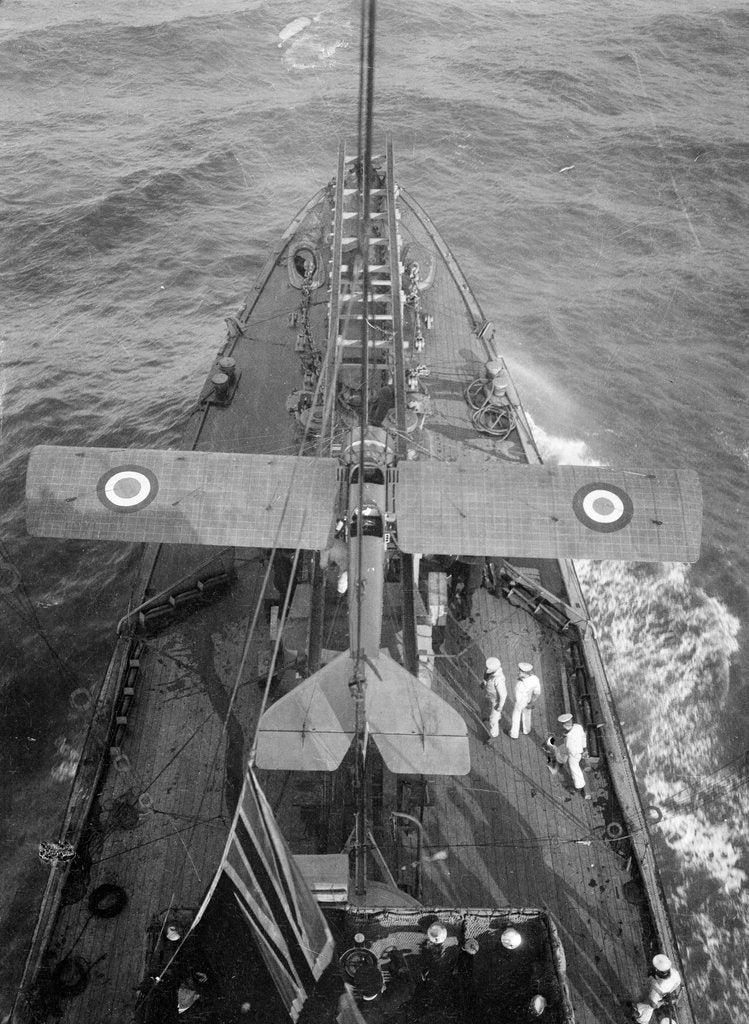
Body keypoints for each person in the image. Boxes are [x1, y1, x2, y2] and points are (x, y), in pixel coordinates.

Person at [631, 954, 682, 1023]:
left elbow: (653, 1004)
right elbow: (678, 983)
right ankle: (638, 1007)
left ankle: (640, 1019)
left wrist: (662, 1002)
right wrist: (669, 991)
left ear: (657, 970)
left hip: (655, 997)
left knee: (648, 1009)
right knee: (646, 1001)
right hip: (662, 994)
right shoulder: (674, 972)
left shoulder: (657, 986)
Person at [555, 714, 591, 799]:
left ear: (564, 725)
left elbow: (570, 749)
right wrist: (584, 747)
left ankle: (579, 786)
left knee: (574, 769)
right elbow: (583, 737)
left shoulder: (569, 739)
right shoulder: (578, 727)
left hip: (574, 754)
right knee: (560, 750)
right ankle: (560, 761)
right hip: (580, 747)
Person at [510, 662, 541, 739]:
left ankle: (514, 734)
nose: (518, 672)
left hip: (520, 702)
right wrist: (532, 701)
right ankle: (526, 730)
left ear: (525, 673)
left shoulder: (520, 684)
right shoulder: (535, 679)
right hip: (529, 700)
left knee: (516, 717)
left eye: (520, 671)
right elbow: (537, 692)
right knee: (527, 715)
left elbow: (517, 696)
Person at [482, 656, 507, 742]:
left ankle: (493, 735)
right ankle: (496, 716)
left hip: (496, 701)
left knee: (493, 718)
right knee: (492, 712)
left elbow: (503, 695)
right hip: (490, 695)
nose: (486, 669)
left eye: (488, 668)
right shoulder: (491, 671)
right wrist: (484, 683)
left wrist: (500, 706)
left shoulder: (499, 679)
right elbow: (486, 676)